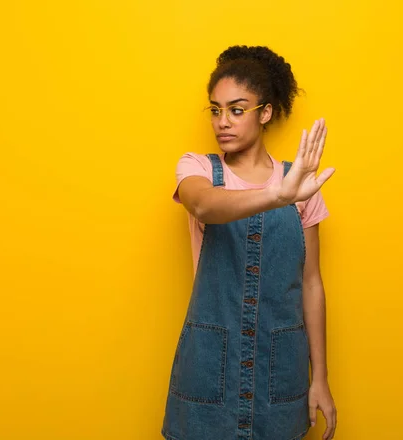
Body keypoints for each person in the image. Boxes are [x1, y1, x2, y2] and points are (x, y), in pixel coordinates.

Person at [161, 45, 337, 440]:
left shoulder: (303, 185)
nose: (223, 121)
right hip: (209, 368)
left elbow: (311, 283)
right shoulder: (199, 168)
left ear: (266, 112)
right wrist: (278, 195)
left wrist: (320, 378)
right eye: (216, 110)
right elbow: (204, 206)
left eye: (237, 110)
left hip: (281, 371)